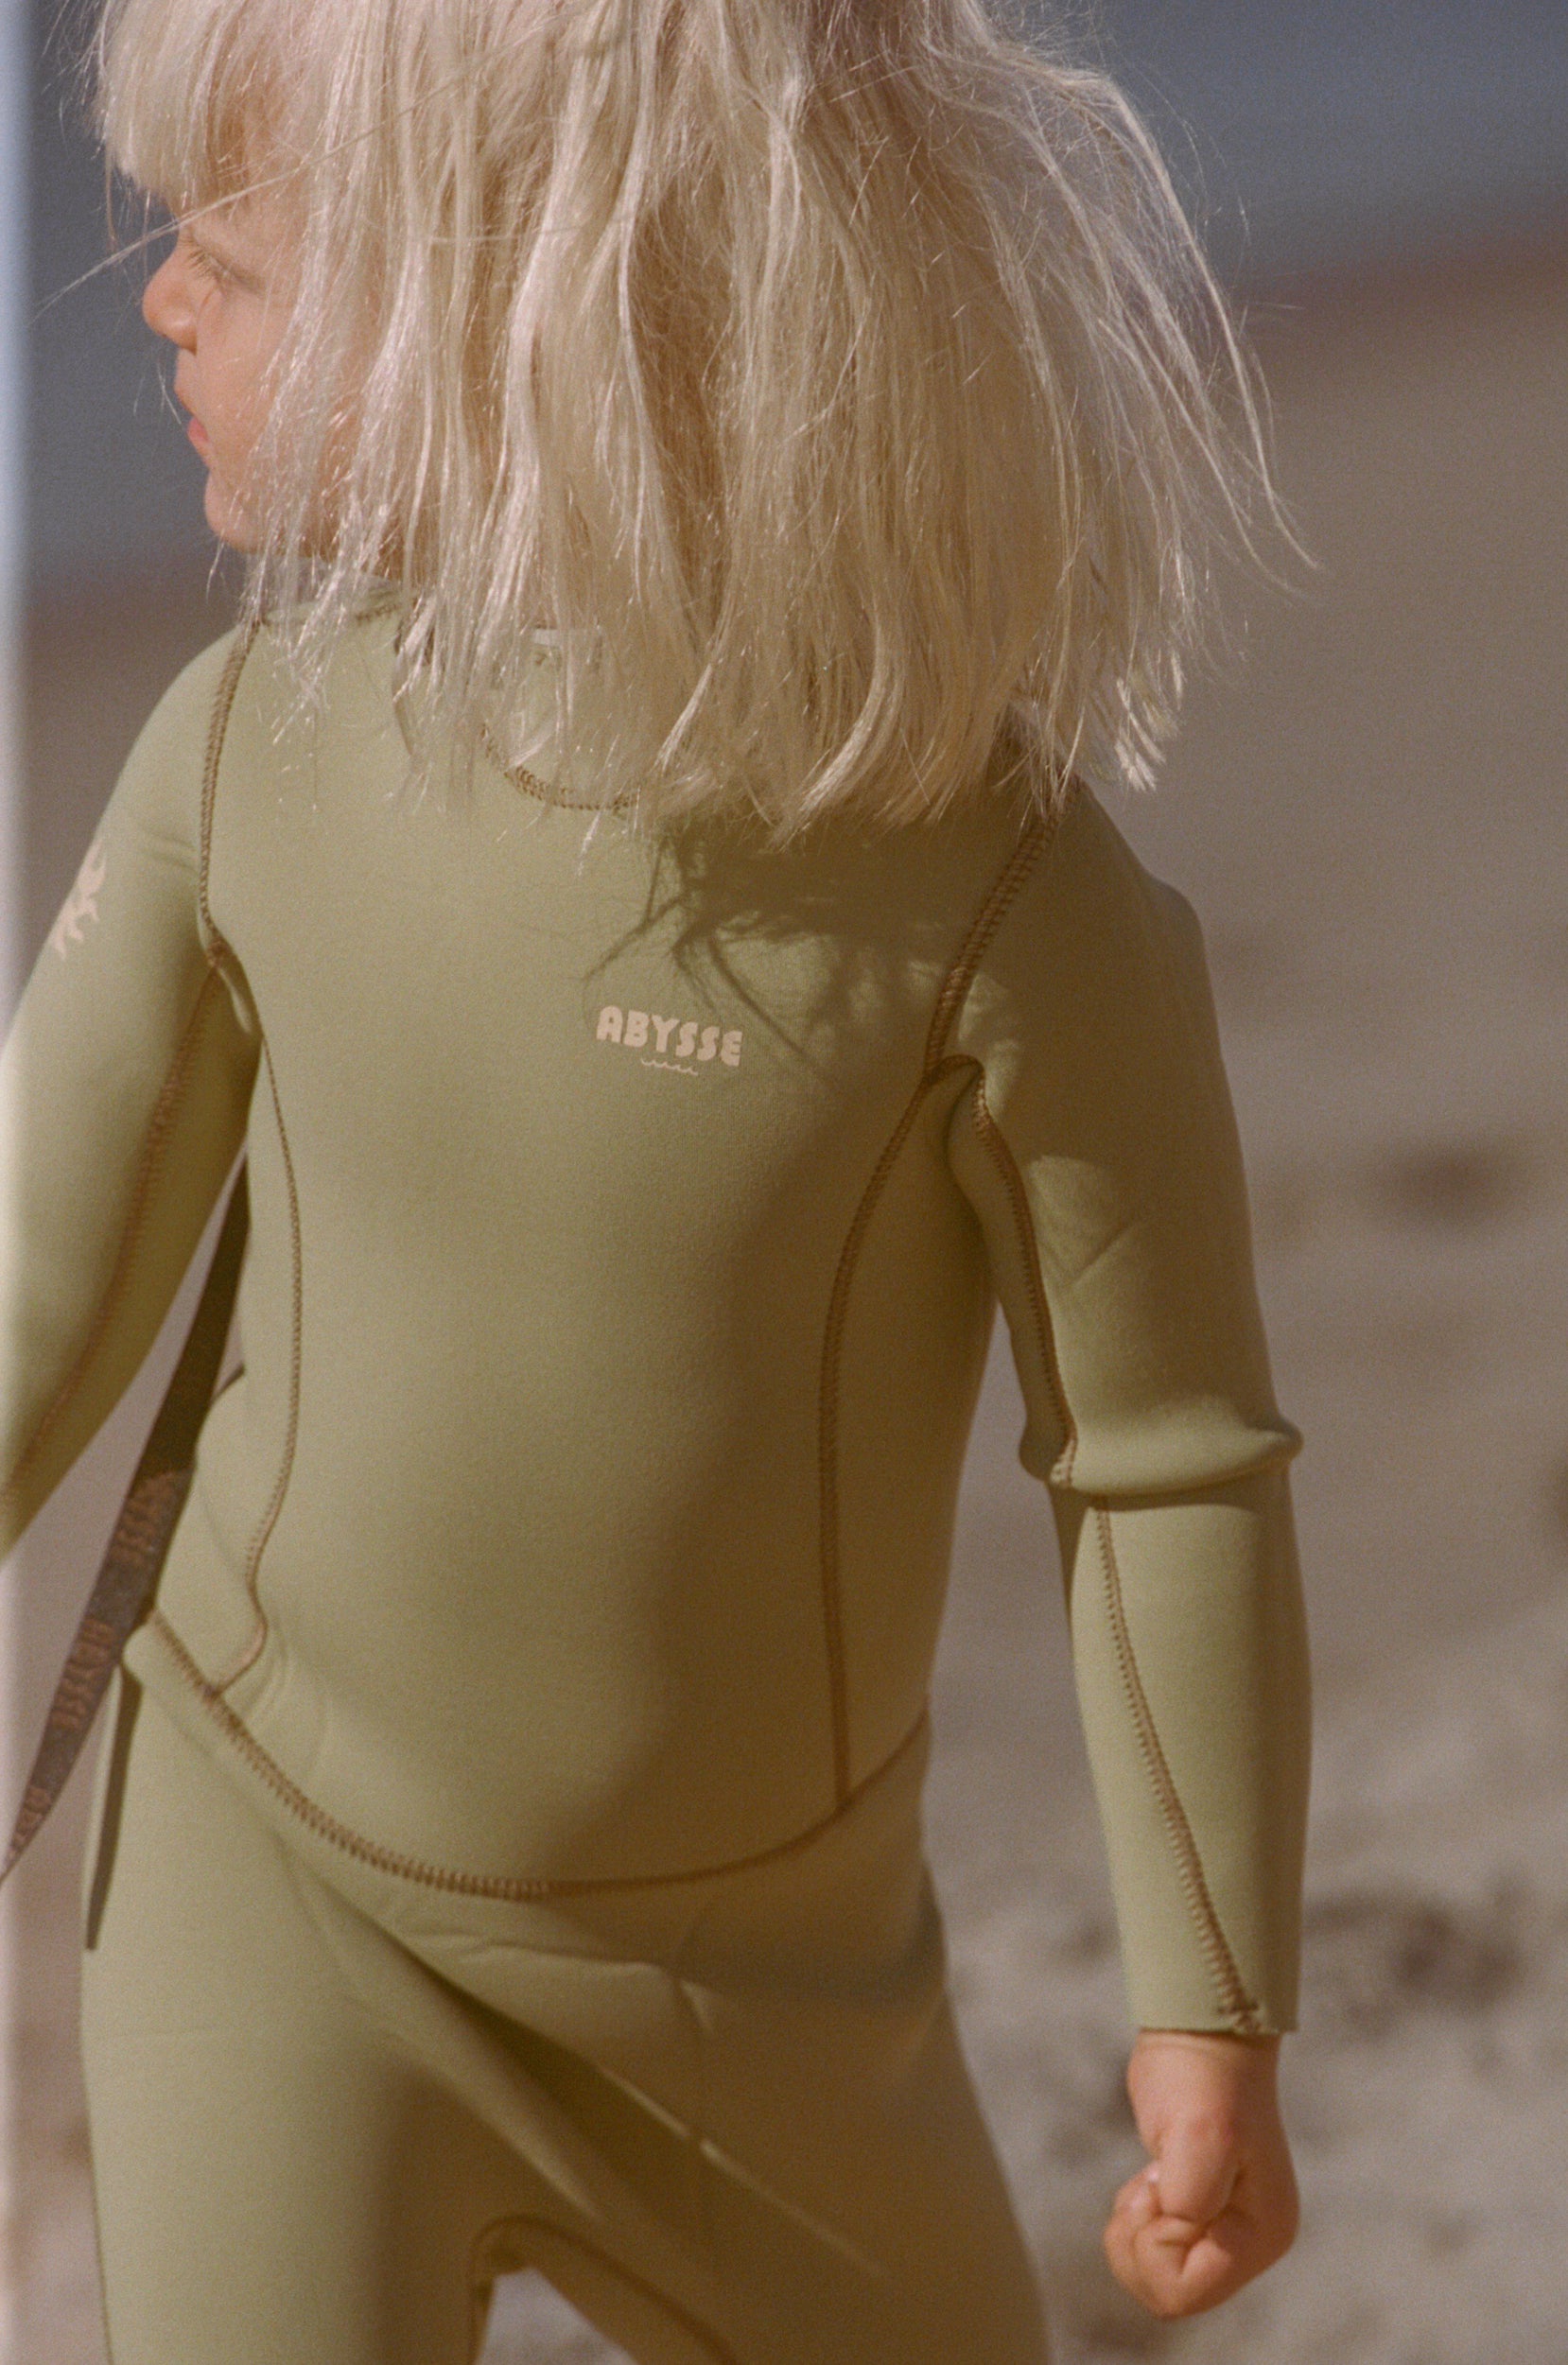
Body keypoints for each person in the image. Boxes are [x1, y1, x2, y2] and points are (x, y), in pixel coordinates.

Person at [2, 0, 1311, 2357]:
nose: (157, 303)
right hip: (263, 1893)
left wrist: (1209, 2014)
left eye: (230, 254)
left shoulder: (1005, 908)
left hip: (766, 2002)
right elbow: (31, 1286)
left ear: (523, 315)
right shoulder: (244, 761)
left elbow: (1163, 1477)